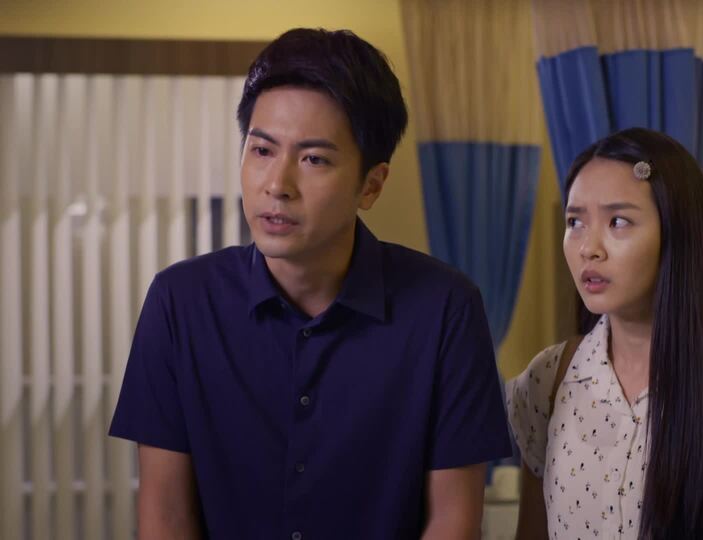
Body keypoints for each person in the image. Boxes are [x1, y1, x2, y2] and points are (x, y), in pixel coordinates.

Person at [109, 28, 512, 539]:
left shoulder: (445, 310)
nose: (277, 185)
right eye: (261, 150)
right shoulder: (180, 303)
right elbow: (165, 516)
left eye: (314, 159)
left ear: (371, 185)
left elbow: (452, 521)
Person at [507, 128, 703, 539]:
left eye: (618, 221)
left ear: (676, 232)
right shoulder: (549, 379)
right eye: (575, 222)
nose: (589, 248)